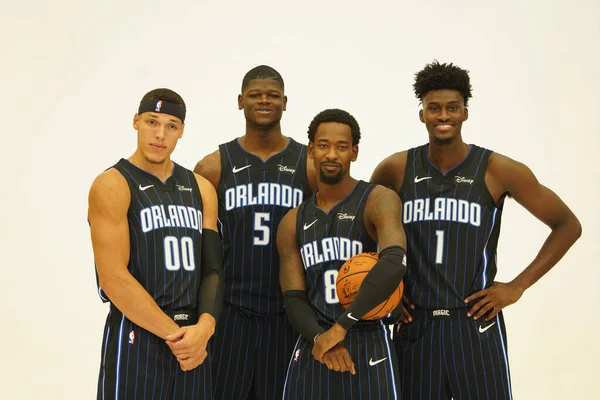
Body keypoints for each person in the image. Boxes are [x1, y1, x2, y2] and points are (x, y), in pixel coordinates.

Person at [370, 60, 582, 400]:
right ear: (421, 114)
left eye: (452, 108)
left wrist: (517, 286)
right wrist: (386, 296)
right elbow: (366, 232)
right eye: (434, 108)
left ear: (465, 113)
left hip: (474, 322)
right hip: (414, 324)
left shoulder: (497, 169)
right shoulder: (395, 169)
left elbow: (568, 225)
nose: (443, 116)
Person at [88, 88, 223, 399]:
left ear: (182, 131)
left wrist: (205, 327)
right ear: (136, 122)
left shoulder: (201, 189)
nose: (160, 134)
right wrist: (176, 337)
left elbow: (213, 269)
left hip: (193, 338)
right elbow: (113, 278)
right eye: (152, 122)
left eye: (171, 126)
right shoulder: (113, 184)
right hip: (139, 334)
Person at [193, 65, 317, 400]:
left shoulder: (309, 164)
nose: (264, 101)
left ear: (285, 102)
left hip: (288, 313)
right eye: (255, 95)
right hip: (230, 311)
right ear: (240, 101)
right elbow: (196, 247)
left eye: (272, 95)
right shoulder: (213, 166)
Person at [277, 108, 408, 399]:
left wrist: (342, 327)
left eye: (342, 147)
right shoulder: (292, 221)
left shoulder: (378, 199)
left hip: (368, 338)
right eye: (323, 145)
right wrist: (322, 338)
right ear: (311, 150)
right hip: (315, 341)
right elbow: (293, 297)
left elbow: (394, 262)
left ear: (355, 152)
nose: (332, 154)